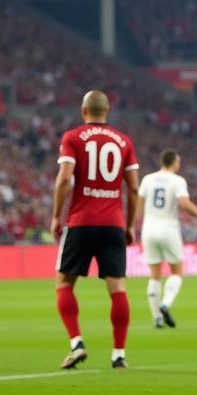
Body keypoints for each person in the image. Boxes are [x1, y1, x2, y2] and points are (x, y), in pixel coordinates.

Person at [52, 90, 139, 370]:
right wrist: (129, 225)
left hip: (81, 222)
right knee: (117, 289)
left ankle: (77, 343)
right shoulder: (124, 141)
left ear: (83, 110)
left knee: (64, 283)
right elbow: (134, 188)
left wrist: (56, 216)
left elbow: (64, 180)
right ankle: (119, 354)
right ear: (108, 110)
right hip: (113, 223)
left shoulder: (72, 138)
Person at [136, 149, 197, 328]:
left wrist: (134, 226)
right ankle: (165, 304)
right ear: (173, 162)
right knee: (177, 272)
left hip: (149, 229)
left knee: (154, 276)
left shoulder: (147, 179)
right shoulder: (178, 181)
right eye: (178, 161)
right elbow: (184, 204)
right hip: (168, 228)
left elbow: (139, 205)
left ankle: (156, 317)